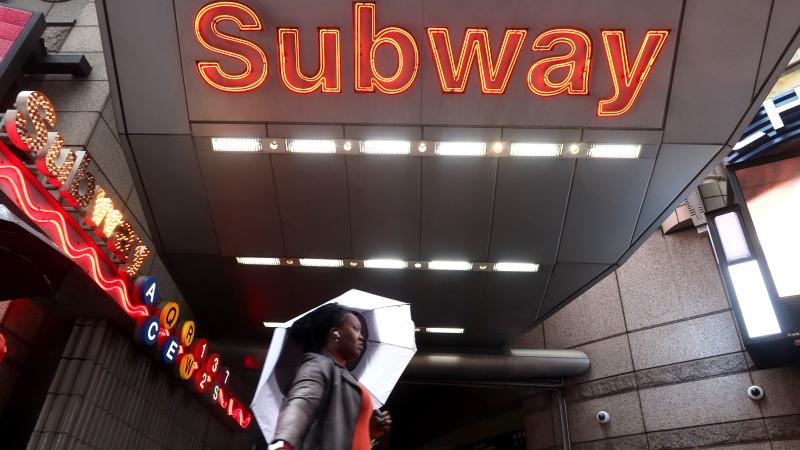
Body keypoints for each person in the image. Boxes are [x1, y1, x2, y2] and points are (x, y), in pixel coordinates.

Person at [268, 303, 392, 450]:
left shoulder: (343, 375)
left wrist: (370, 431)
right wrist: (283, 443)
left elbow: (340, 434)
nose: (362, 337)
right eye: (356, 329)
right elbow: (301, 404)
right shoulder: (317, 364)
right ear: (335, 333)